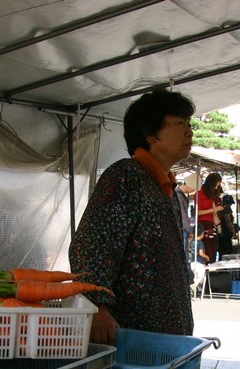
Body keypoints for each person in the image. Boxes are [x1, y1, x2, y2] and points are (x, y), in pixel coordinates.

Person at [69, 89, 195, 345]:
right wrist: (97, 308)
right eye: (180, 123)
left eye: (189, 124)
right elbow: (89, 246)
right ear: (150, 134)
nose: (189, 132)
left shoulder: (166, 187)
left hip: (164, 337)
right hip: (131, 338)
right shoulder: (126, 177)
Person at [196, 173, 223, 263]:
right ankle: (205, 267)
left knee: (213, 247)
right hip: (203, 224)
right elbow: (197, 212)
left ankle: (211, 268)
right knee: (206, 247)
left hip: (211, 224)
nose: (216, 188)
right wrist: (213, 209)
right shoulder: (199, 193)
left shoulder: (210, 195)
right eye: (216, 185)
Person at [175, 174, 198, 263]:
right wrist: (190, 230)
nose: (193, 190)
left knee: (185, 252)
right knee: (184, 253)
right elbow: (183, 215)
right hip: (183, 228)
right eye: (193, 188)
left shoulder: (180, 194)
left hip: (183, 227)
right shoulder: (179, 196)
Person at [217, 194, 237, 259]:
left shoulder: (221, 208)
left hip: (221, 234)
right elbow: (229, 223)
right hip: (225, 234)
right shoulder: (226, 210)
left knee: (222, 251)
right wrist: (234, 233)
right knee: (227, 251)